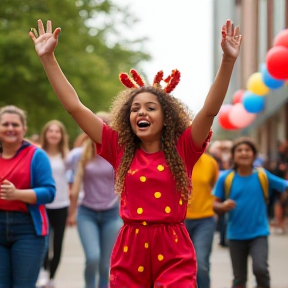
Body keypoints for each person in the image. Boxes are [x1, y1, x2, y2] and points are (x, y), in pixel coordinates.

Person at [29, 18, 242, 287]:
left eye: (150, 108)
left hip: (174, 248)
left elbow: (210, 110)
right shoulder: (119, 148)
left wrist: (227, 62)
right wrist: (48, 59)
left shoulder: (184, 148)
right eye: (134, 108)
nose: (141, 112)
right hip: (131, 249)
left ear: (167, 118)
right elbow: (75, 107)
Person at [213, 137, 288, 288]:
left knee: (260, 269)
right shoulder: (226, 178)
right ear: (233, 156)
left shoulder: (262, 175)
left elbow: (284, 186)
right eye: (239, 150)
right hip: (235, 235)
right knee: (239, 278)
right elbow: (215, 204)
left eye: (248, 150)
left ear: (254, 155)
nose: (244, 153)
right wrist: (223, 206)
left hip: (259, 233)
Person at [0, 105, 56, 288]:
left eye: (15, 125)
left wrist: (17, 194)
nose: (10, 128)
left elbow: (49, 192)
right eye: (5, 124)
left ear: (24, 129)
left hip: (28, 229)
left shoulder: (36, 155)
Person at [67, 112, 122, 288]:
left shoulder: (118, 153)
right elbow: (70, 180)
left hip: (112, 214)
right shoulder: (78, 155)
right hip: (87, 213)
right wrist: (72, 213)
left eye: (105, 124)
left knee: (106, 264)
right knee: (93, 258)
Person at [37, 120, 70, 288]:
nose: (54, 134)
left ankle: (52, 277)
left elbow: (73, 180)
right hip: (43, 205)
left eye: (57, 132)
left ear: (61, 135)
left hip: (62, 205)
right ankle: (42, 272)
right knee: (43, 242)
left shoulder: (67, 156)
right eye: (51, 131)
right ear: (46, 134)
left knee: (57, 244)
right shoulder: (38, 153)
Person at [185, 152, 219, 288]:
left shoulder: (211, 163)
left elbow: (216, 188)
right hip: (178, 222)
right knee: (181, 265)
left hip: (205, 220)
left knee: (201, 264)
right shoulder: (173, 159)